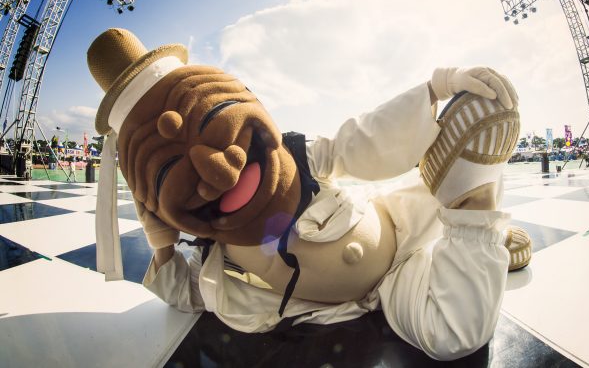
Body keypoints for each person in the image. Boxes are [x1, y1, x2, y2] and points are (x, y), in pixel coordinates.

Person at [88, 28, 531, 361]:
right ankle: (475, 223)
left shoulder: (297, 155)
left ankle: (466, 202)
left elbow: (359, 140)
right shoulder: (214, 256)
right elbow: (183, 295)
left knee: (442, 255)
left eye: (211, 119)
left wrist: (435, 88)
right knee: (453, 337)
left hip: (399, 226)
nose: (220, 173)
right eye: (168, 168)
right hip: (386, 289)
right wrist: (161, 241)